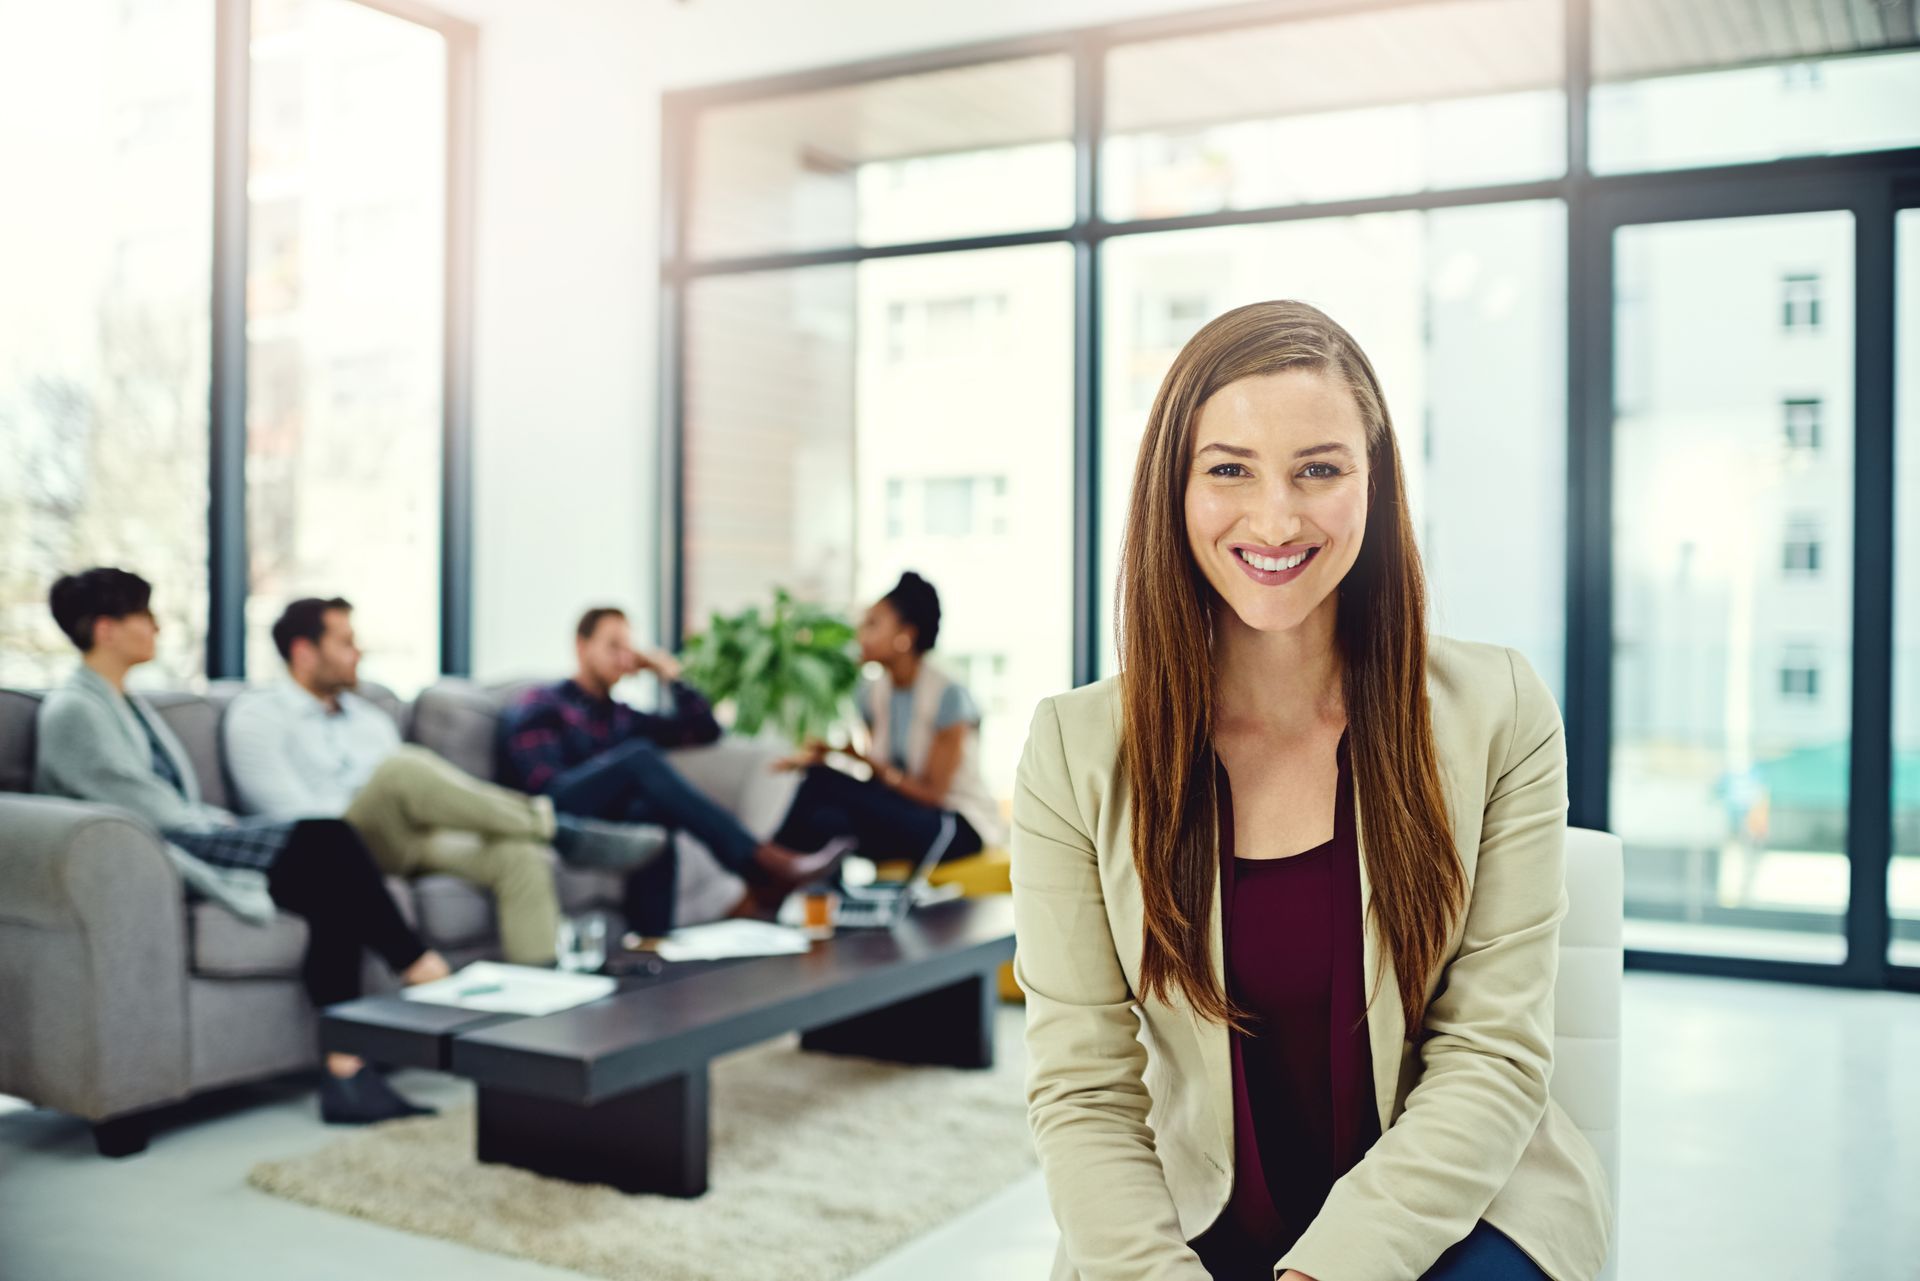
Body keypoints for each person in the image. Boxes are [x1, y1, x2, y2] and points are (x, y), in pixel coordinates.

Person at [1010, 301, 1613, 1281]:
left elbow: (1491, 1057)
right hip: (1185, 1231)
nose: (1277, 518)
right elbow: (1085, 1093)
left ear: (1374, 486)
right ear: (1176, 487)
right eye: (1230, 469)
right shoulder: (1073, 752)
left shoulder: (1499, 709)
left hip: (1452, 1214)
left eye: (1320, 469)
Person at [33, 569, 449, 1125]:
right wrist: (219, 827)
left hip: (195, 831)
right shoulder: (74, 711)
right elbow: (139, 806)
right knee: (328, 835)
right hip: (166, 849)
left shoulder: (127, 704)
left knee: (333, 896)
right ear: (107, 629)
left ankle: (346, 1074)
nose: (155, 625)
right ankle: (418, 964)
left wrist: (218, 821)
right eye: (144, 615)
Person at [224, 598, 660, 967]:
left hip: (409, 839)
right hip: (338, 848)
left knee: (519, 855)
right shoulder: (259, 717)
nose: (359, 652)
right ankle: (558, 828)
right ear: (303, 652)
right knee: (402, 769)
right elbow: (298, 824)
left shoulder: (369, 717)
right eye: (345, 643)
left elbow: (414, 803)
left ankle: (543, 1019)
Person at [496, 606, 845, 932]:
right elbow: (544, 790)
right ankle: (760, 863)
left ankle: (650, 945)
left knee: (652, 815)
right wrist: (617, 773)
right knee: (639, 757)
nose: (623, 657)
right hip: (545, 814)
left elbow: (704, 731)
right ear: (581, 646)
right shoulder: (543, 704)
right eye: (612, 646)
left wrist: (667, 674)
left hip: (602, 821)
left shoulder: (621, 716)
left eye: (628, 648)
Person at [771, 571, 1006, 870]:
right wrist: (834, 756)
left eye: (872, 624)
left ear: (904, 636)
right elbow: (877, 785)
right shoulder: (872, 693)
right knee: (826, 816)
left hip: (955, 827)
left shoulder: (949, 695)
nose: (860, 634)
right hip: (910, 816)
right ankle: (798, 900)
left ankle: (761, 873)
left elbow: (933, 795)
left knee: (823, 783)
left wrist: (864, 762)